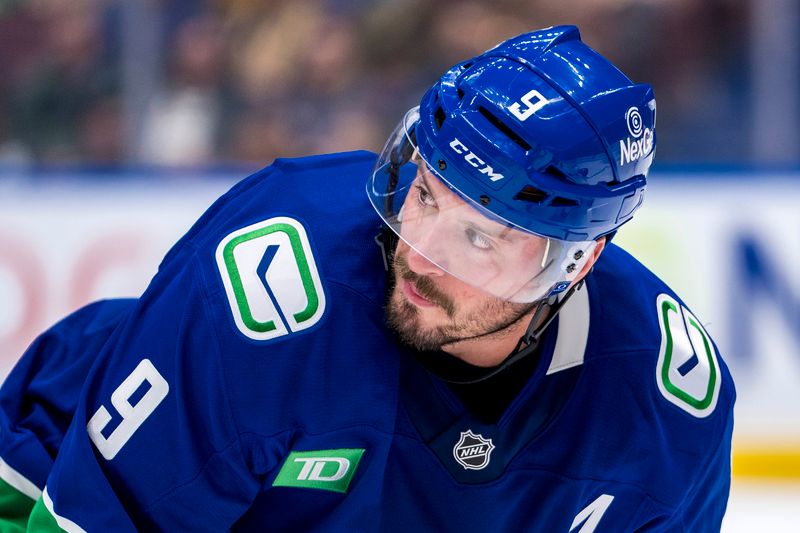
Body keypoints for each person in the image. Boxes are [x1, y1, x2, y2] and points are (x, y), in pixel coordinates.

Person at [0, 26, 733, 531]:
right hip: (47, 478)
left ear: (579, 262)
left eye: (480, 236)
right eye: (425, 194)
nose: (419, 252)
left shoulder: (665, 414)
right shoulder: (272, 293)